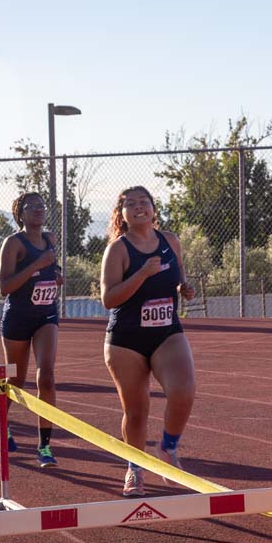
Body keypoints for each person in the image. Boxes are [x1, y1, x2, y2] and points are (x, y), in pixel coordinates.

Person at [100, 186, 197, 497]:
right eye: (131, 204)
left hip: (166, 332)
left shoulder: (170, 241)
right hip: (126, 340)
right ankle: (135, 468)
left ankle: (168, 447)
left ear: (154, 209)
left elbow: (178, 276)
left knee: (183, 391)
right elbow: (108, 298)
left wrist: (184, 288)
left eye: (144, 202)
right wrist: (141, 274)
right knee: (137, 411)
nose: (139, 207)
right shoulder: (118, 250)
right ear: (122, 214)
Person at [0, 192, 62, 468]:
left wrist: (55, 276)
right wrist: (36, 265)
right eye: (32, 207)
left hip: (46, 315)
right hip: (18, 317)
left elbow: (50, 270)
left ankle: (44, 446)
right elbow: (4, 287)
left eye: (42, 206)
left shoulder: (50, 239)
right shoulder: (13, 243)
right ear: (20, 213)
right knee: (16, 379)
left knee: (47, 377)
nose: (39, 210)